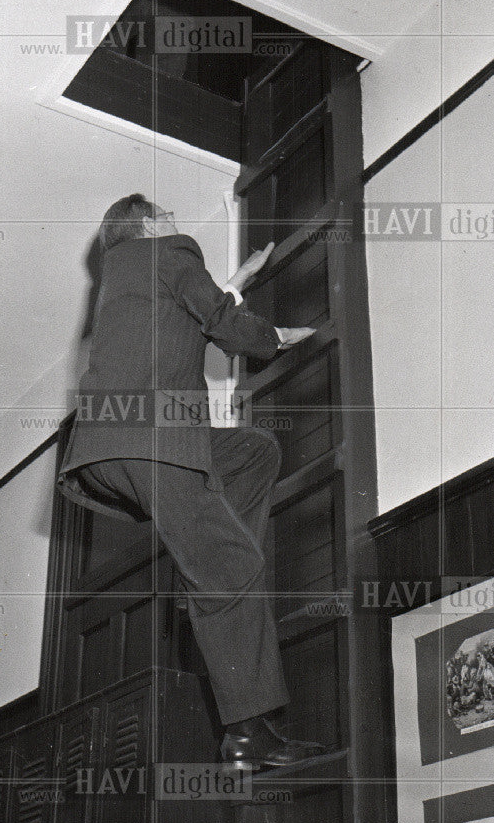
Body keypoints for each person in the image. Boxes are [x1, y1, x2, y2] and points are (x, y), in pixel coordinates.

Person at [58, 194, 323, 770]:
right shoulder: (170, 250)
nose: (177, 224)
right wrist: (273, 337)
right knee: (233, 571)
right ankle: (250, 735)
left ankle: (212, 566)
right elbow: (223, 325)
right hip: (155, 443)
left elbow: (179, 319)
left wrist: (229, 284)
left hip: (114, 454)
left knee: (253, 452)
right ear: (150, 225)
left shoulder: (121, 281)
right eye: (169, 217)